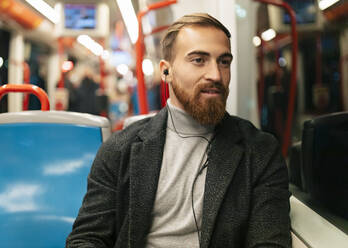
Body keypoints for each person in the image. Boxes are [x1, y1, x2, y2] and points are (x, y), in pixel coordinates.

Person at [66, 13, 291, 248]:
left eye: (224, 61)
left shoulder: (259, 152)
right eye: (198, 60)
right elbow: (87, 238)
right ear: (167, 71)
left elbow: (269, 243)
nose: (215, 74)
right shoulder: (121, 149)